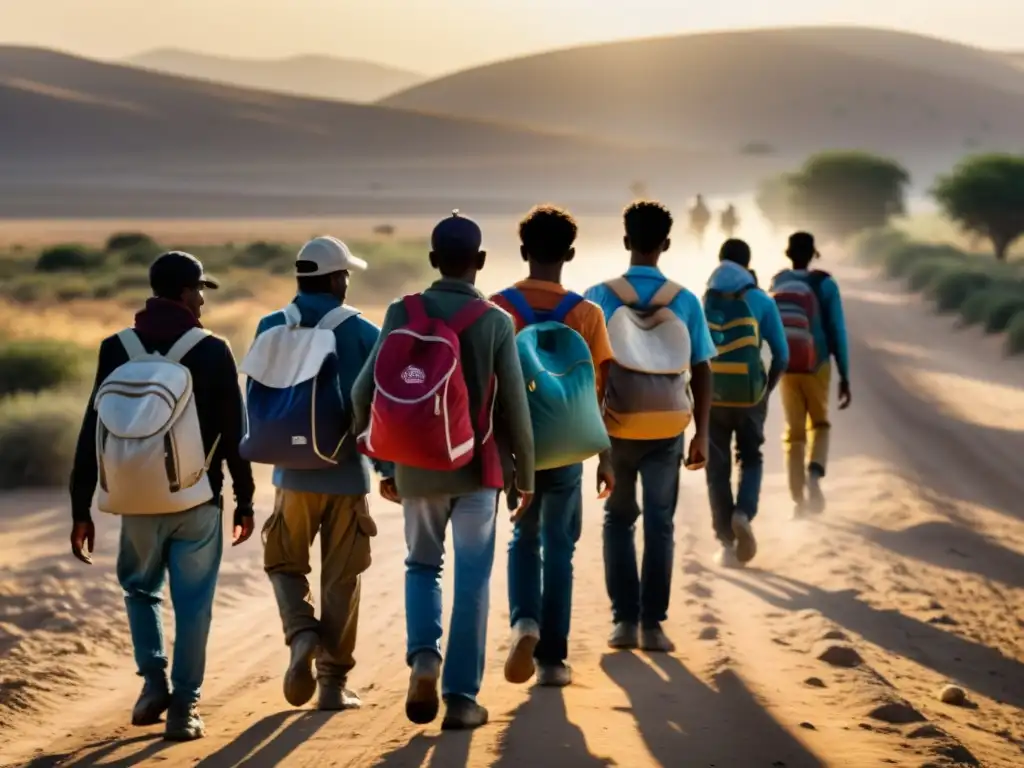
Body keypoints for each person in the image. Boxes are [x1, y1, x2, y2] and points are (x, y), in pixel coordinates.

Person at [351, 211, 535, 731]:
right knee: (473, 580)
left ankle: (424, 659)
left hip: (415, 469)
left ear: (433, 260)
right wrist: (526, 475)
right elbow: (514, 409)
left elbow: (363, 394)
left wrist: (384, 462)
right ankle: (460, 698)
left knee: (421, 565)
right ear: (479, 262)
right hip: (478, 471)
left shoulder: (400, 311)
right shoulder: (497, 322)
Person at [69, 251, 255, 742]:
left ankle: (153, 680)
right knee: (194, 606)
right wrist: (246, 498)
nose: (202, 300)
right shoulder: (212, 349)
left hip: (136, 499)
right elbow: (236, 431)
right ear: (184, 293)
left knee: (139, 589)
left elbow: (94, 428)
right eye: (200, 291)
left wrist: (80, 506)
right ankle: (184, 707)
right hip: (197, 500)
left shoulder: (116, 346)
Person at [249, 237, 389, 711]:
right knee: (342, 580)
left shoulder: (270, 325)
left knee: (283, 563)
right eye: (345, 274)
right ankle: (331, 683)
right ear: (334, 279)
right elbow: (376, 409)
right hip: (346, 476)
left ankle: (300, 631)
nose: (347, 281)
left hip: (291, 478)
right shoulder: (363, 332)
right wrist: (387, 469)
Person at [489, 205, 615, 688]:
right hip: (567, 445)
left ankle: (524, 622)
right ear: (571, 254)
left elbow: (486, 383)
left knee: (523, 535)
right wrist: (605, 455)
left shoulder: (498, 307)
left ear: (523, 252)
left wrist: (500, 449)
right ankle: (553, 661)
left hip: (517, 446)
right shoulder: (587, 313)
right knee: (560, 547)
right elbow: (598, 391)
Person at [584, 200, 716, 652]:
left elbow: (585, 368)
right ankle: (653, 626)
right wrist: (702, 433)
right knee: (660, 524)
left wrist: (590, 433)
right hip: (668, 428)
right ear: (666, 244)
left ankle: (623, 621)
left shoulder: (598, 296)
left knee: (618, 519)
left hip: (615, 428)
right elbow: (701, 367)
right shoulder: (684, 299)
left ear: (626, 241)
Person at [703, 239, 788, 567]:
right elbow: (782, 354)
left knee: (717, 468)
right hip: (751, 395)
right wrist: (765, 392)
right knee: (750, 458)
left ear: (720, 261)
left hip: (714, 395)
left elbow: (696, 351)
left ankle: (726, 543)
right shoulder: (761, 300)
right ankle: (743, 513)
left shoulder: (706, 298)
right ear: (747, 264)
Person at [769, 232, 851, 516]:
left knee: (794, 434)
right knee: (820, 424)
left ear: (788, 254)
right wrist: (845, 375)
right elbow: (837, 331)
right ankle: (815, 473)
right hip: (817, 366)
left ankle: (797, 501)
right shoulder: (825, 284)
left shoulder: (778, 281)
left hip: (787, 367)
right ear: (813, 253)